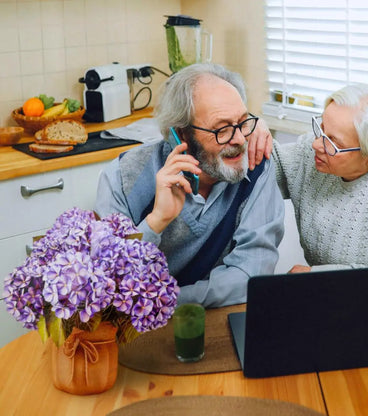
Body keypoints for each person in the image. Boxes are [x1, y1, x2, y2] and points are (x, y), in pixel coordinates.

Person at [95, 63, 284, 307]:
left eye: (243, 123)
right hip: (135, 330)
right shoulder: (122, 177)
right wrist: (157, 220)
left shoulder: (256, 165)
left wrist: (163, 304)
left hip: (216, 320)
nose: (238, 140)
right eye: (222, 129)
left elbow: (250, 275)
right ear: (181, 135)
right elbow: (111, 282)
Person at [271, 84, 368, 273]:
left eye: (333, 142)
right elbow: (263, 166)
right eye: (321, 129)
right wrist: (251, 128)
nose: (316, 144)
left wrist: (314, 277)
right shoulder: (313, 152)